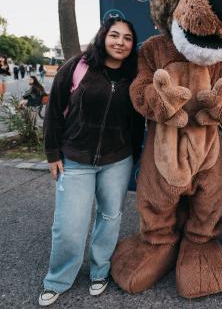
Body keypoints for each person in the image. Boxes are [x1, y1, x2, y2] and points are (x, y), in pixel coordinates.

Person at [39, 17, 145, 306]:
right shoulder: (77, 67)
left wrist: (133, 156)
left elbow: (137, 123)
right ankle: (58, 279)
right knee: (69, 225)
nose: (120, 42)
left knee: (110, 219)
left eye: (127, 38)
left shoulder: (134, 75)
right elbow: (54, 113)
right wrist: (53, 154)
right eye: (114, 35)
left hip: (117, 161)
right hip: (75, 160)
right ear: (103, 37)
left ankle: (100, 270)